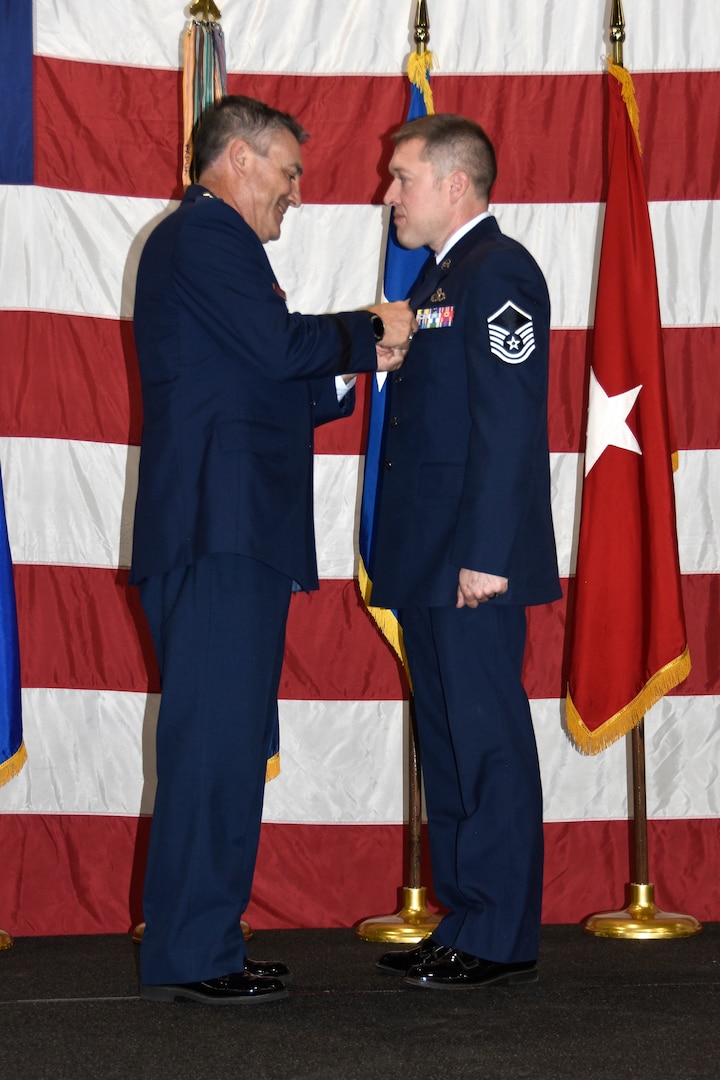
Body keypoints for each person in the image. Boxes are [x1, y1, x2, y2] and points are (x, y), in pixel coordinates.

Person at [130, 95, 415, 1006]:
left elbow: (263, 374)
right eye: (289, 171)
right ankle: (192, 952)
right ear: (241, 159)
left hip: (230, 534)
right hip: (219, 533)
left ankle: (205, 938)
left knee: (225, 744)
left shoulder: (211, 247)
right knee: (213, 748)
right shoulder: (208, 237)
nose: (297, 190)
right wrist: (367, 332)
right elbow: (271, 343)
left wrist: (348, 362)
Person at [368, 114, 561, 988]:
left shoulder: (501, 271)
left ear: (455, 182)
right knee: (447, 743)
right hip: (429, 556)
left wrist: (488, 553)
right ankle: (469, 916)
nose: (389, 194)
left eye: (402, 177)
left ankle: (500, 932)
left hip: (470, 561)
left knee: (485, 743)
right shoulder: (445, 276)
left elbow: (510, 424)